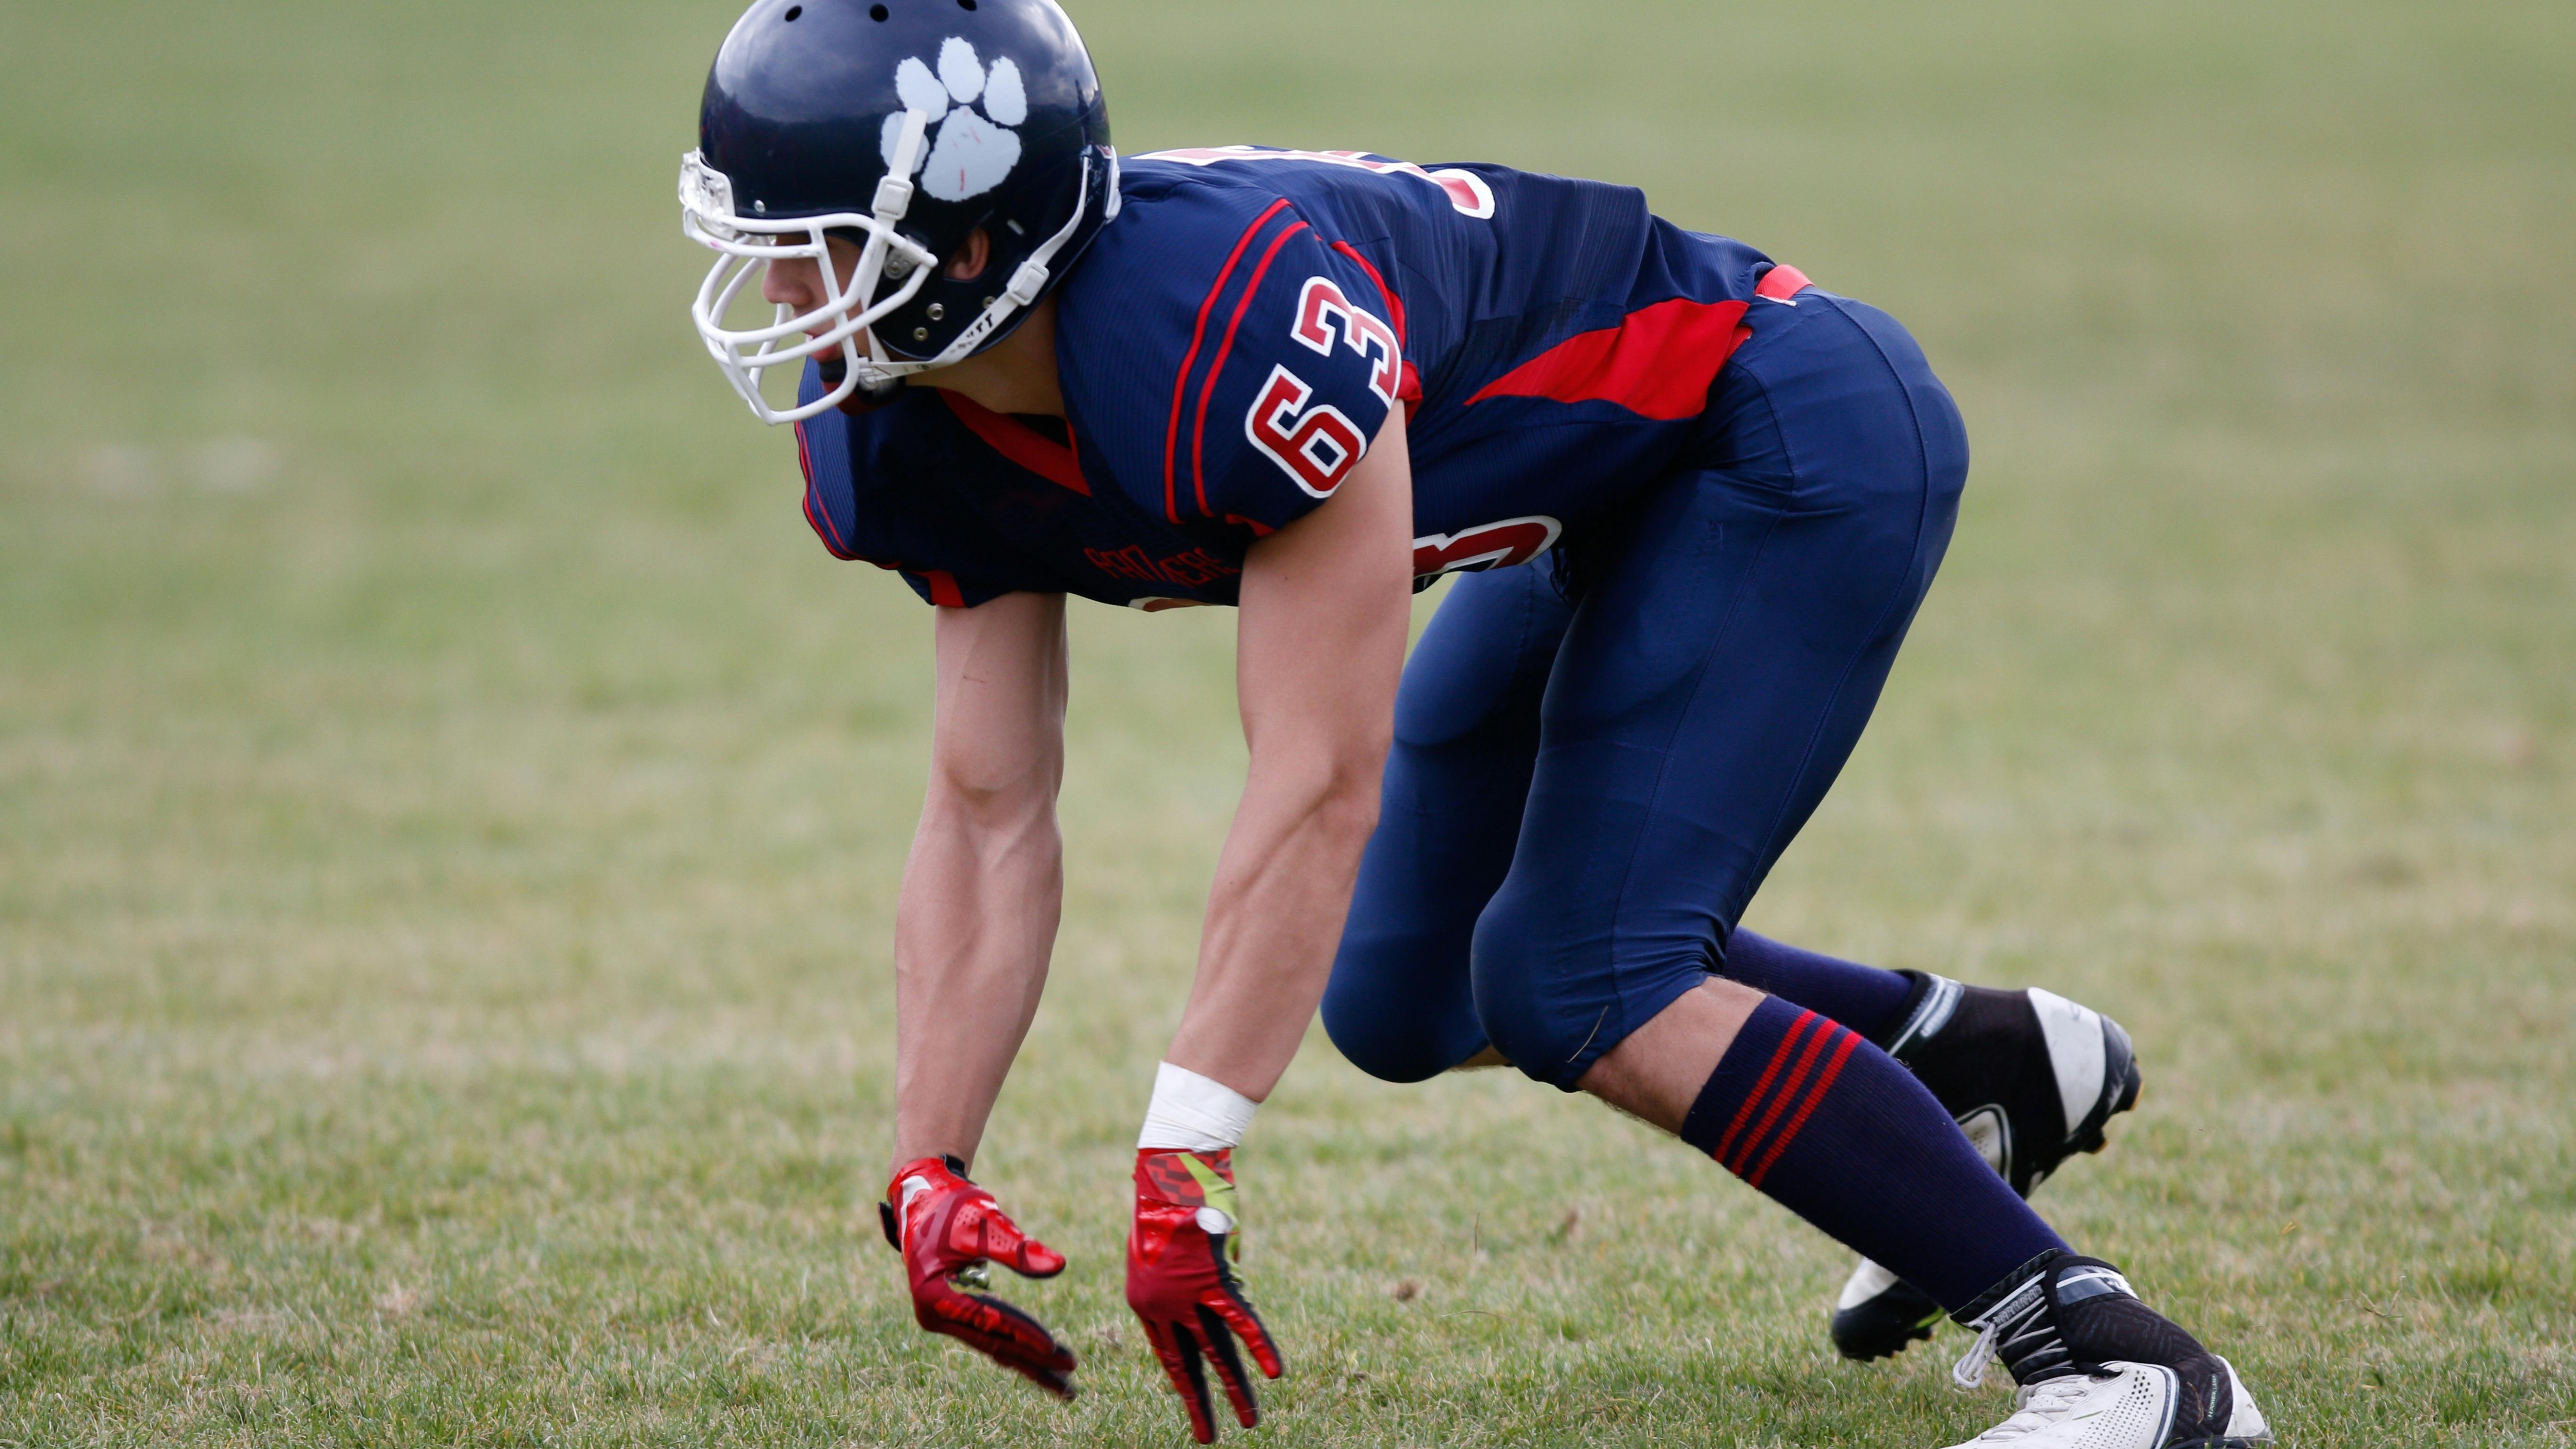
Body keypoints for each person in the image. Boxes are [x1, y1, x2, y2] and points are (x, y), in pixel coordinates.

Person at [674, 1, 2274, 1444]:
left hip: (1781, 419)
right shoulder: (904, 429)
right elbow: (983, 812)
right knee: (1405, 988)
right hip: (1612, 500)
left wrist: (1189, 1149)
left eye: (810, 241)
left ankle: (2118, 1361)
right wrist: (926, 1166)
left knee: (1582, 976)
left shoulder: (1215, 331)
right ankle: (1989, 1065)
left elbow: (1316, 778)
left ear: (970, 246)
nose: (773, 288)